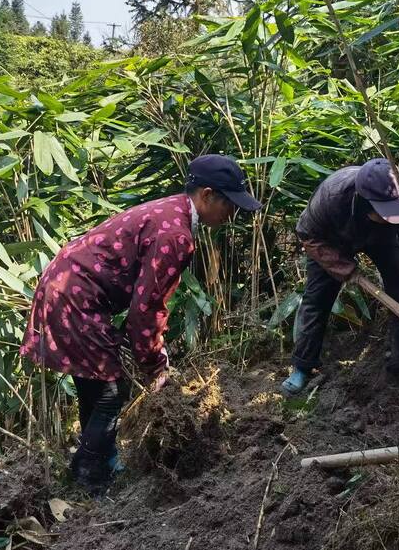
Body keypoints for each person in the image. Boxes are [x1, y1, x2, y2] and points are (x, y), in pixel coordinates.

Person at [21, 154, 261, 493]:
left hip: (64, 286)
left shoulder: (171, 210)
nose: (232, 214)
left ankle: (98, 460)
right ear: (206, 195)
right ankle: (88, 474)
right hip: (76, 296)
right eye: (229, 204)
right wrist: (156, 367)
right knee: (112, 392)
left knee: (98, 384)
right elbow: (146, 310)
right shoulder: (176, 235)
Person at [281, 158, 399, 397]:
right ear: (366, 202)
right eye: (386, 211)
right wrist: (346, 270)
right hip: (330, 241)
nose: (393, 215)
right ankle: (302, 367)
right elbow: (307, 235)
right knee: (317, 300)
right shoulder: (332, 197)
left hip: (383, 238)